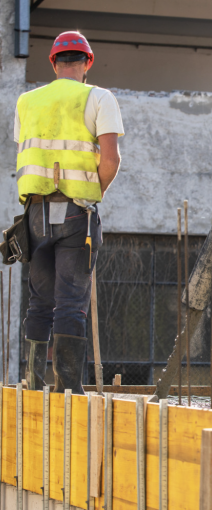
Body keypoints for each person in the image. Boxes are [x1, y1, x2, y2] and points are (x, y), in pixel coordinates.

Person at [15, 32, 124, 393]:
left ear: (53, 63)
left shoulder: (26, 102)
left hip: (35, 215)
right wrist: (95, 195)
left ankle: (32, 383)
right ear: (87, 63)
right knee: (71, 301)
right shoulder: (99, 98)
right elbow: (110, 160)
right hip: (78, 214)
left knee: (39, 302)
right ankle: (67, 389)